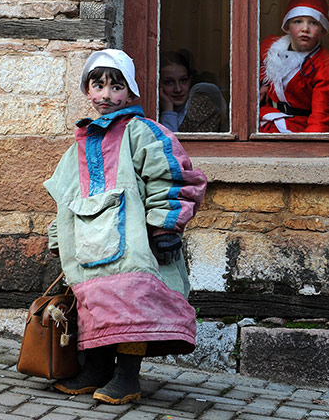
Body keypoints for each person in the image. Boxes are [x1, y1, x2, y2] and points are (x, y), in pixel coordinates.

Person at [44, 49, 207, 405]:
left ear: (130, 93)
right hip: (90, 246)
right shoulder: (79, 146)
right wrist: (59, 238)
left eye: (116, 87)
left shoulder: (143, 132)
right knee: (97, 306)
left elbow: (173, 176)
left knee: (134, 307)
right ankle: (97, 369)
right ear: (87, 91)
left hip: (138, 243)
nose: (106, 94)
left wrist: (166, 226)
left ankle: (127, 376)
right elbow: (63, 193)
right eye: (98, 85)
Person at [258, 0, 329, 133]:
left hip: (297, 128)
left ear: (323, 30)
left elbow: (320, 115)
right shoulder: (271, 47)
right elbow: (262, 62)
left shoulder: (324, 65)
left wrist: (310, 148)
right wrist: (265, 82)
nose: (305, 28)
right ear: (287, 27)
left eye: (313, 23)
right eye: (298, 21)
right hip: (265, 119)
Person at [159, 51, 228, 132]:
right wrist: (168, 108)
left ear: (190, 80)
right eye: (169, 82)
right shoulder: (152, 111)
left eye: (183, 80)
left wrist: (168, 113)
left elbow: (173, 143)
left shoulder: (203, 107)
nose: (178, 89)